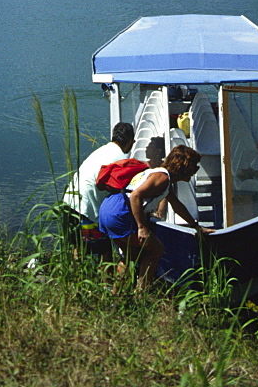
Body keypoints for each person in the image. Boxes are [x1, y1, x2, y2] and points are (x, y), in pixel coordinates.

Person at [98, 144, 209, 290]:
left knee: (131, 254)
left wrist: (195, 226)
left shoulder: (160, 176)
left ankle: (117, 296)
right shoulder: (162, 178)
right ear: (185, 167)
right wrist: (141, 227)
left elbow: (177, 205)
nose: (196, 170)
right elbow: (136, 196)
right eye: (194, 166)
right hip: (120, 211)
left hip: (108, 208)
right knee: (156, 250)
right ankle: (141, 294)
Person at [61, 122, 135, 255]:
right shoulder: (121, 159)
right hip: (87, 210)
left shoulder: (102, 150)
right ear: (130, 141)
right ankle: (105, 276)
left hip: (69, 203)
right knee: (105, 252)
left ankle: (75, 275)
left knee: (79, 249)